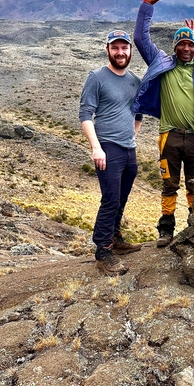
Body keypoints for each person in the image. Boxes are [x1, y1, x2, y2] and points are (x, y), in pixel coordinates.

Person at [133, 0, 194, 247]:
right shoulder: (161, 62)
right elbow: (140, 38)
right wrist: (146, 7)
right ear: (175, 46)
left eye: (190, 44)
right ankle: (166, 228)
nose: (185, 48)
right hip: (169, 136)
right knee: (169, 184)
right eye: (181, 43)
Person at [79, 30, 143, 275]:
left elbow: (138, 114)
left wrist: (132, 136)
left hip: (129, 149)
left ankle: (115, 237)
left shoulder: (134, 80)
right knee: (110, 199)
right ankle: (103, 250)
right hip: (107, 148)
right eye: (115, 48)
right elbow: (85, 114)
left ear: (130, 51)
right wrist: (96, 147)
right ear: (107, 49)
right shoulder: (96, 77)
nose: (120, 52)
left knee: (122, 198)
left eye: (124, 48)